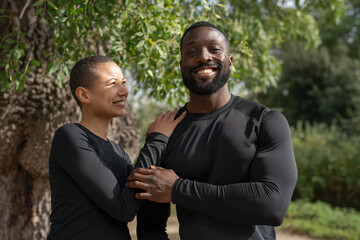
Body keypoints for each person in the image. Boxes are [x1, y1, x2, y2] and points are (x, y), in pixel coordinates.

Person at [126, 21, 298, 240]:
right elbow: (150, 227)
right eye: (192, 51)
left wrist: (178, 189)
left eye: (214, 49)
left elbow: (272, 205)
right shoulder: (167, 132)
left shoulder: (265, 120)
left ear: (230, 61)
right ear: (181, 65)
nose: (203, 57)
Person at [47, 55, 185, 240]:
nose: (124, 91)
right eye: (113, 84)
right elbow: (123, 209)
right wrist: (156, 140)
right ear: (84, 95)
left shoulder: (118, 151)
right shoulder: (69, 136)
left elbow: (141, 196)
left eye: (124, 82)